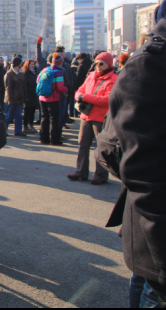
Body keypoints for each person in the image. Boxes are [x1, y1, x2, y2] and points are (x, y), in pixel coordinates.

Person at [102, 22, 166, 307]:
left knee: (143, 280)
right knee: (148, 282)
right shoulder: (150, 65)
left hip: (148, 218)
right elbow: (140, 166)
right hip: (153, 221)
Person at [67, 52, 117, 184]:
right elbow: (80, 90)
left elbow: (107, 100)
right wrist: (79, 97)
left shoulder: (113, 79)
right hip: (86, 116)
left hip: (100, 118)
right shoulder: (91, 76)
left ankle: (100, 175)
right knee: (83, 145)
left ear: (109, 65)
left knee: (100, 148)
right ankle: (80, 172)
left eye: (101, 64)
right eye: (96, 63)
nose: (98, 66)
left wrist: (84, 97)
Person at [37, 51, 68, 146]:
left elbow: (37, 81)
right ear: (61, 62)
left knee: (44, 118)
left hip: (42, 97)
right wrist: (66, 89)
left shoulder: (44, 70)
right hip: (53, 98)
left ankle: (43, 138)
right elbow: (60, 88)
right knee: (54, 119)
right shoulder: (58, 72)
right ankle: (54, 140)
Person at [4, 56, 27, 136]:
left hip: (19, 98)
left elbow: (24, 86)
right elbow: (8, 87)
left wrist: (25, 97)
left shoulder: (21, 73)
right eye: (21, 62)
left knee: (19, 115)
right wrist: (10, 99)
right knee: (8, 116)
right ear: (18, 63)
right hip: (11, 98)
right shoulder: (9, 73)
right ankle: (3, 131)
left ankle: (18, 131)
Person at [22, 59, 39, 134]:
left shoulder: (35, 74)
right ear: (27, 65)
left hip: (34, 94)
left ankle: (31, 125)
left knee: (32, 111)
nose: (33, 66)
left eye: (33, 64)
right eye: (31, 64)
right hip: (28, 94)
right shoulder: (25, 74)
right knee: (27, 111)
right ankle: (25, 126)